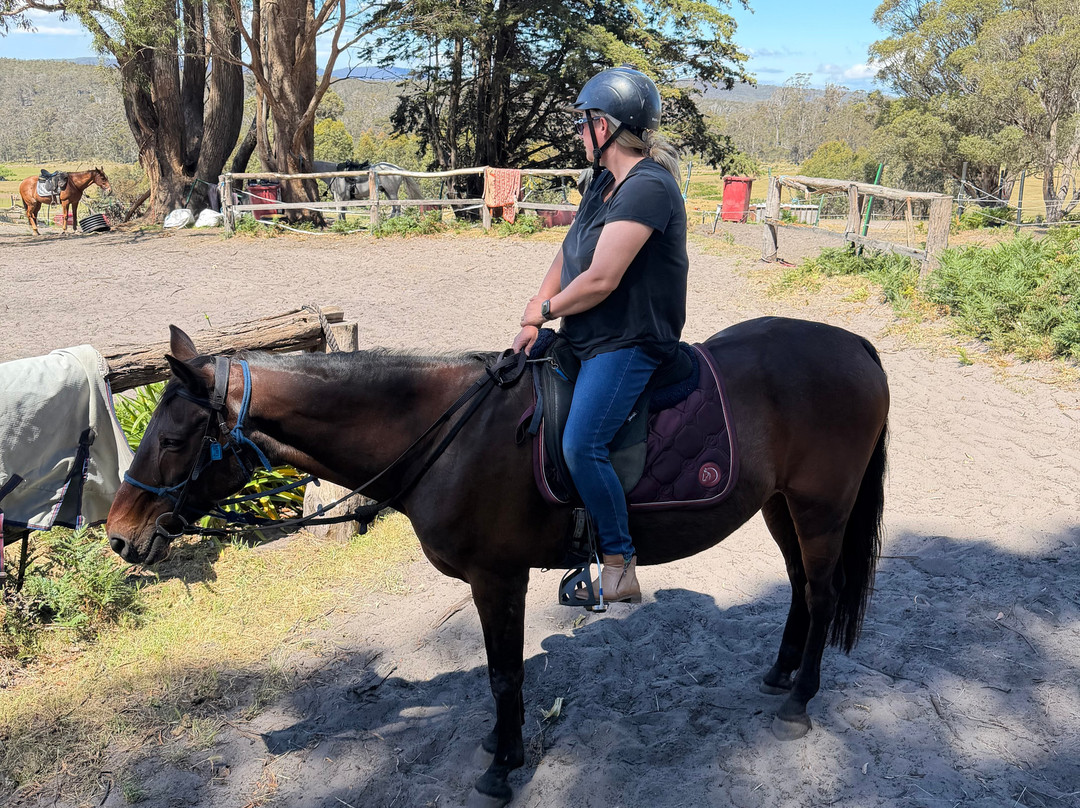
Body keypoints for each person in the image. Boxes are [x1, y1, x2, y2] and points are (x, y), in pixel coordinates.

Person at [513, 66, 689, 604]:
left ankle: (618, 561)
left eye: (583, 122)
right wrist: (530, 315)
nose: (577, 132)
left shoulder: (650, 187)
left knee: (581, 443)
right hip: (585, 334)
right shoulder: (601, 184)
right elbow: (568, 256)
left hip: (629, 341)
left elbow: (602, 278)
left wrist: (544, 311)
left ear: (608, 126)